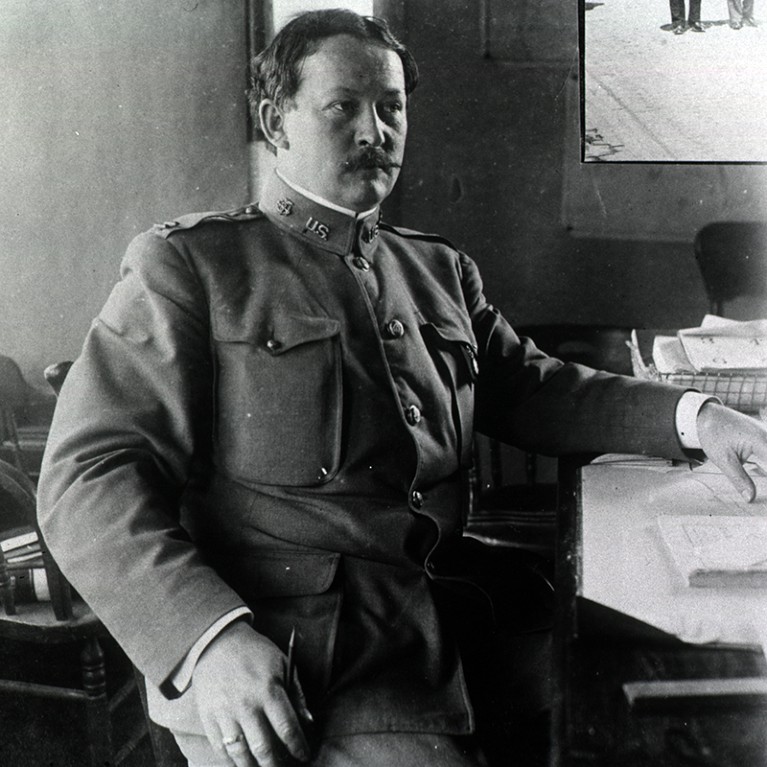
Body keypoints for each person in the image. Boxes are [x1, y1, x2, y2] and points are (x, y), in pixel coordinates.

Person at [37, 9, 767, 767]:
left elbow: (529, 386)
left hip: (456, 615)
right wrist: (208, 639)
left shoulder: (435, 268)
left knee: (657, 710)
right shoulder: (193, 267)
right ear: (274, 120)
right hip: (300, 659)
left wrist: (698, 415)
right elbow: (86, 477)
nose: (372, 131)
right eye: (343, 107)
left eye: (390, 108)